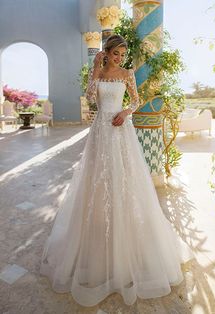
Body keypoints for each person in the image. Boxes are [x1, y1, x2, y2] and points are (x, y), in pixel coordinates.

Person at [40, 34, 193, 307]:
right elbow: (89, 100)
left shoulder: (127, 74)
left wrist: (125, 113)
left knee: (125, 179)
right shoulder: (97, 71)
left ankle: (126, 230)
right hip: (100, 131)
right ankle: (99, 225)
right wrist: (95, 72)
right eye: (116, 53)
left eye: (123, 54)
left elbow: (135, 101)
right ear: (107, 52)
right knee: (97, 180)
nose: (120, 58)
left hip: (120, 131)